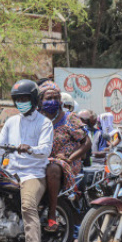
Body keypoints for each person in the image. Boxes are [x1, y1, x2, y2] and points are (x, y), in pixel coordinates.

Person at [0, 79, 53, 242]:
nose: (21, 102)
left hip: (33, 173)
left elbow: (45, 150)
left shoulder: (45, 123)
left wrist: (30, 149)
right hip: (11, 172)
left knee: (28, 205)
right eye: (17, 99)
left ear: (34, 99)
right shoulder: (11, 122)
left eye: (25, 98)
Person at [38, 81, 91, 233]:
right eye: (48, 98)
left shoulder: (69, 118)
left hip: (65, 162)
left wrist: (71, 157)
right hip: (42, 160)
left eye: (56, 97)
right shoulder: (37, 119)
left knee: (52, 168)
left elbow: (86, 142)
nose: (52, 101)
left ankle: (52, 215)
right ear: (40, 100)